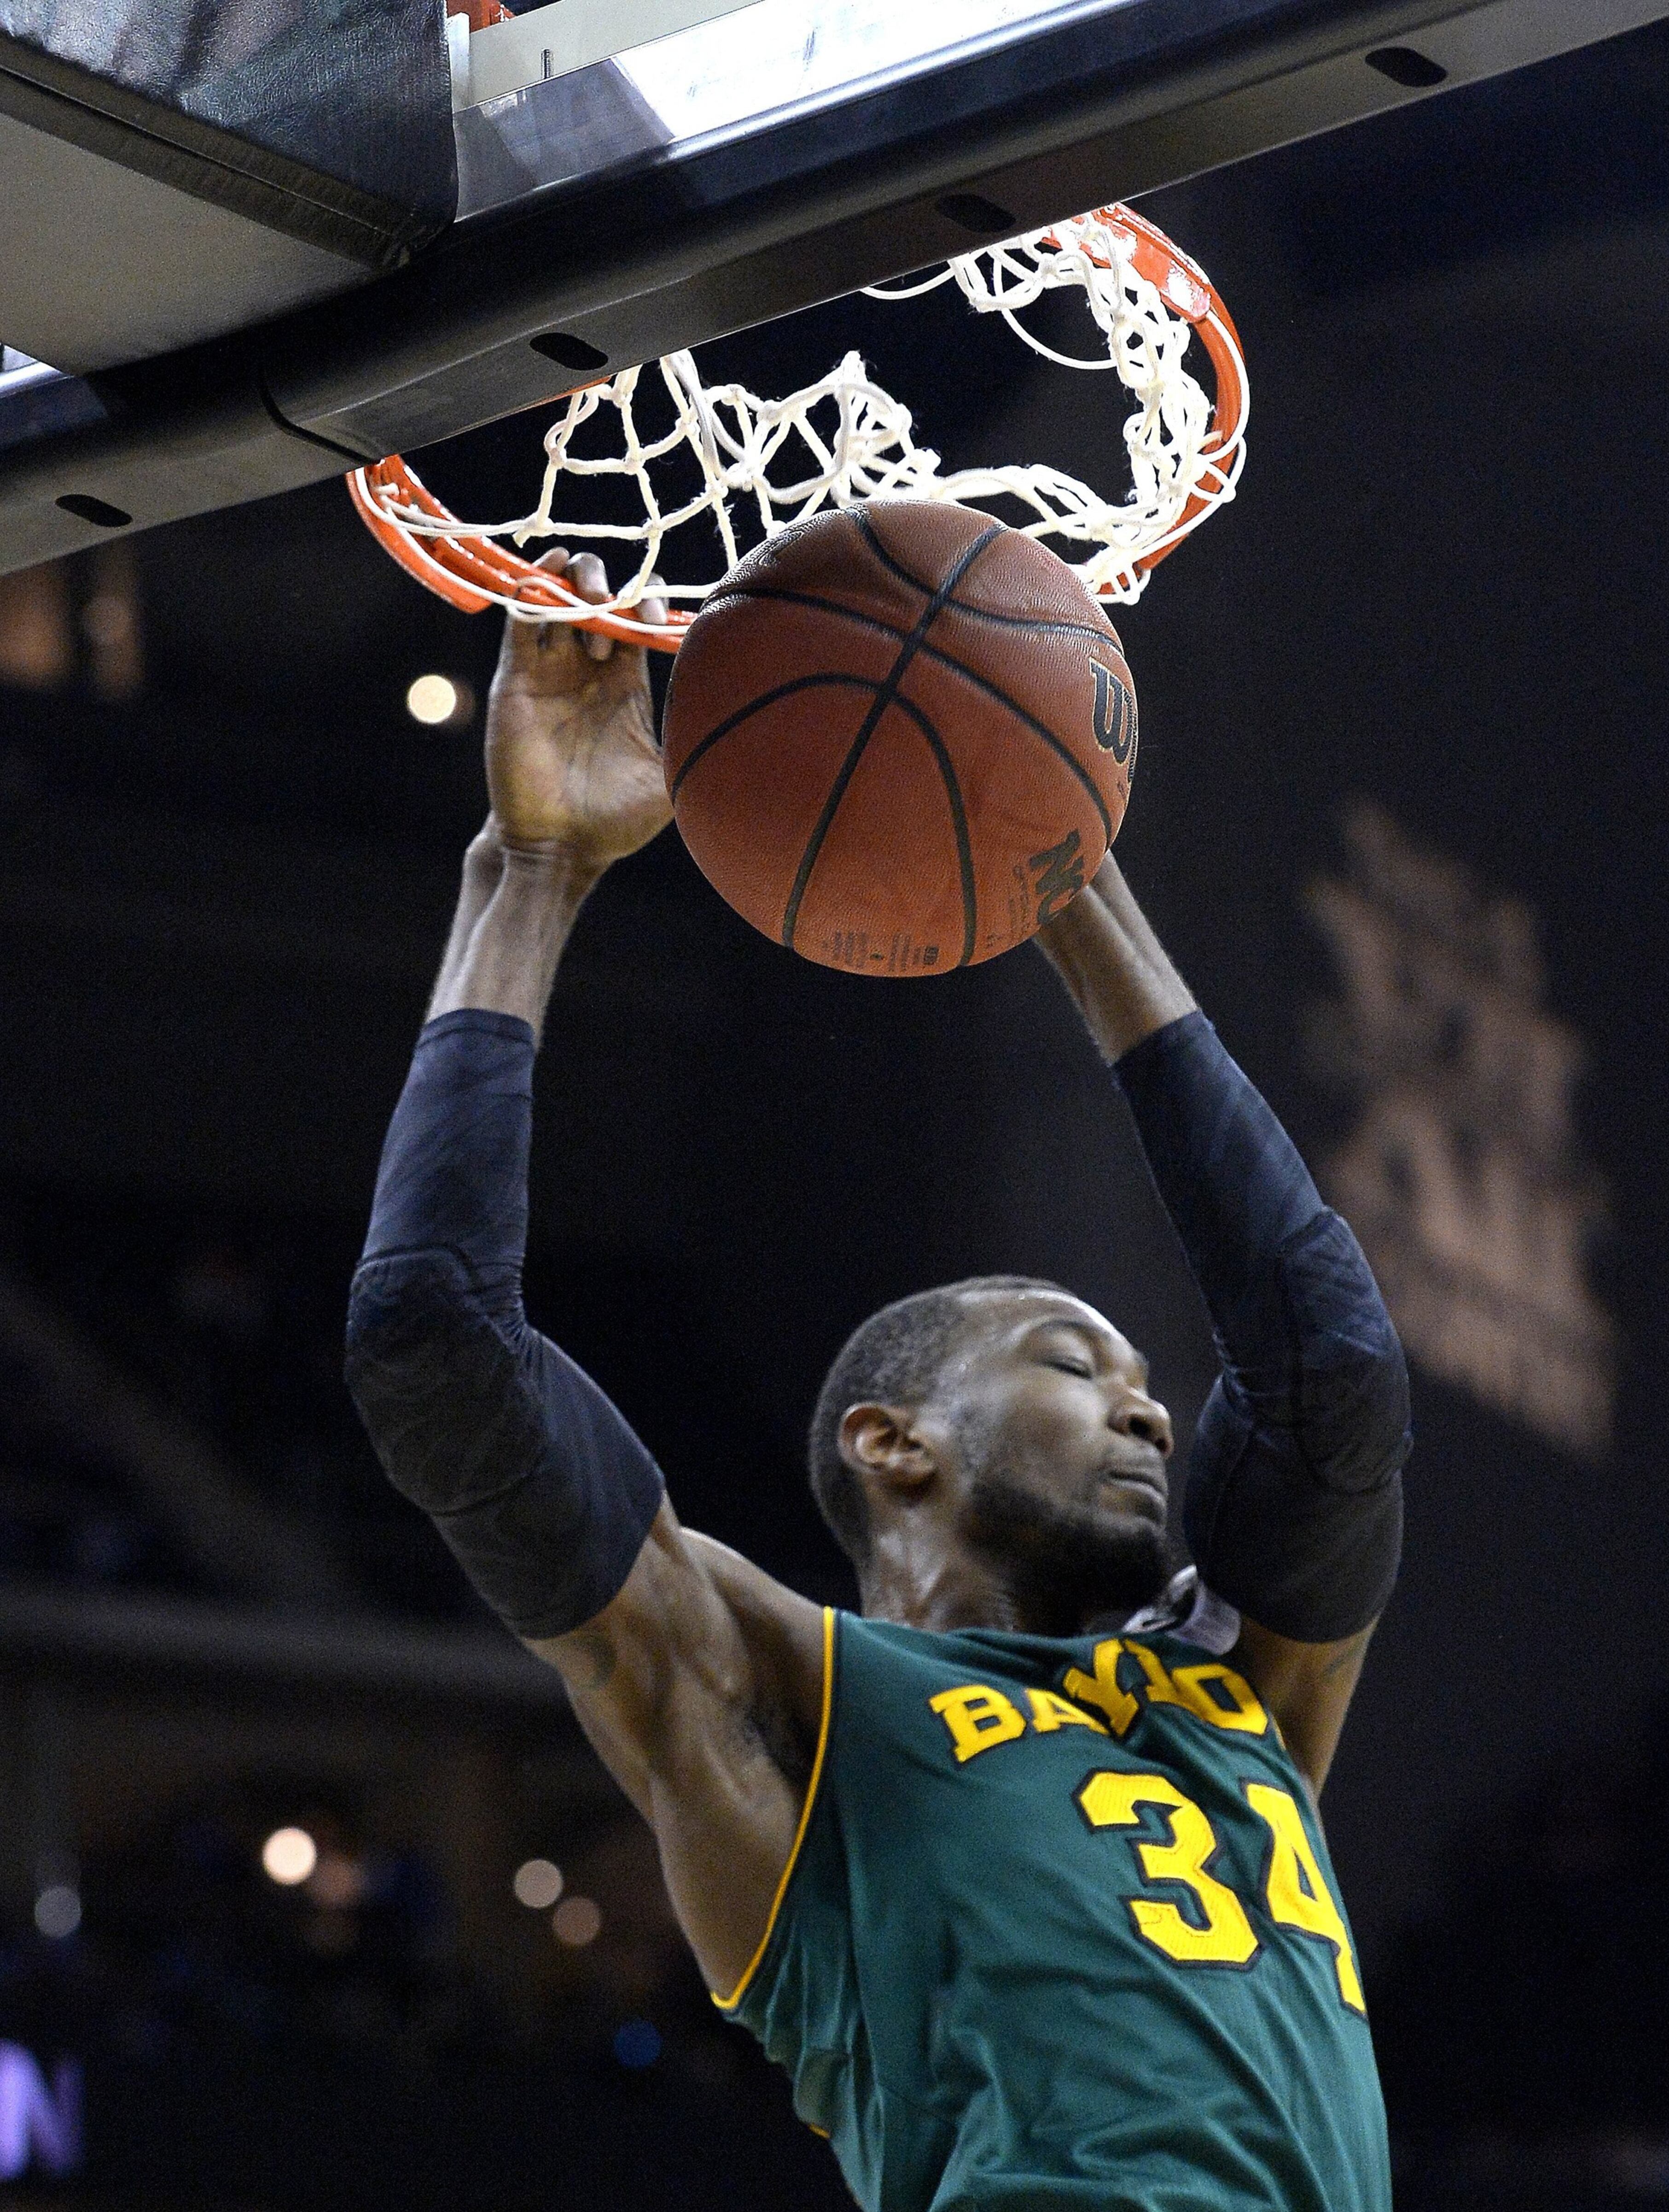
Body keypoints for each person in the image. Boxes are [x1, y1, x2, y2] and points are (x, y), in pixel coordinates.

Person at [346, 551, 1412, 2212]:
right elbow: (432, 1344)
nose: (1145, 1406)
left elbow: (1329, 1369)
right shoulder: (786, 1707)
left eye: (1141, 1376)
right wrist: (532, 870)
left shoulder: (1245, 1688)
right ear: (891, 1441)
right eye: (1073, 1359)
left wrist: (1065, 882)